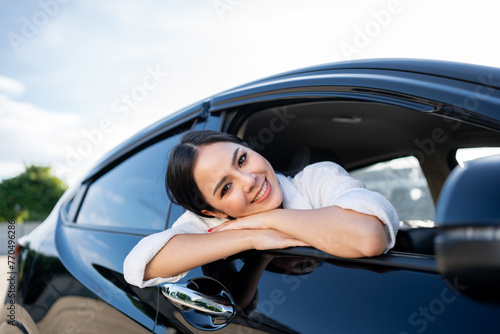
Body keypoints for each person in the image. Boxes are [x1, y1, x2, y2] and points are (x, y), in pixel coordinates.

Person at [123, 130, 400, 288]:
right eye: (226, 188)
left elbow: (368, 237)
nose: (250, 180)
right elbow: (140, 266)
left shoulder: (318, 179)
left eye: (242, 160)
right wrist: (251, 237)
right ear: (212, 212)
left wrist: (269, 218)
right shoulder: (212, 223)